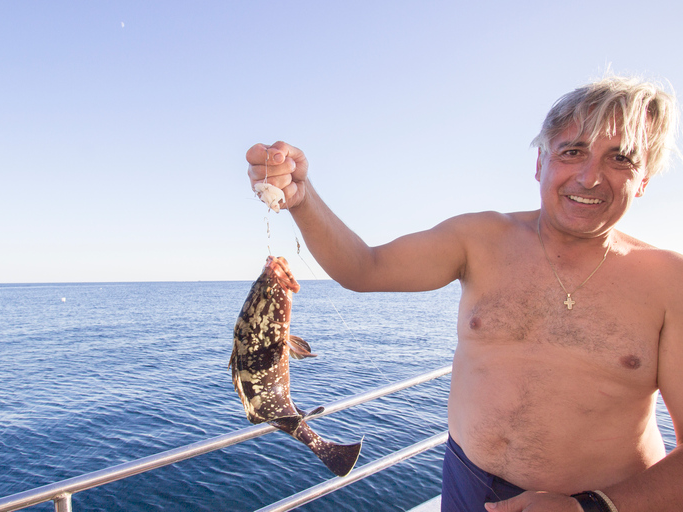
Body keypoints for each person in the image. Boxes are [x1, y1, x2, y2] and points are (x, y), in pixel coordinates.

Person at [245, 76, 682, 512]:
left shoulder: (670, 282)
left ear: (643, 180)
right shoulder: (480, 238)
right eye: (572, 152)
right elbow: (364, 268)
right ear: (540, 163)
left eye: (620, 159)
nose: (589, 178)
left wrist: (596, 507)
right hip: (467, 485)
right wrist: (302, 197)